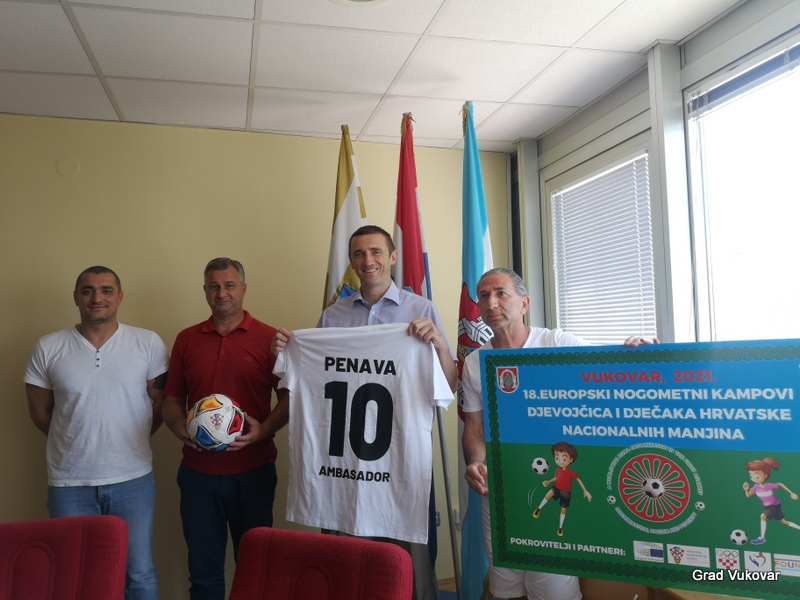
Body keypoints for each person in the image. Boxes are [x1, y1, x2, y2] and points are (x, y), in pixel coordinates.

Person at [273, 225, 457, 600]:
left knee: (407, 564)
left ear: (392, 257)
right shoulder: (332, 317)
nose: (367, 260)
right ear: (351, 261)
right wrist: (290, 350)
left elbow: (449, 385)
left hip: (400, 463)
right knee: (346, 562)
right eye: (359, 253)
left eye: (376, 252)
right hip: (342, 464)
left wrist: (439, 343)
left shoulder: (421, 309)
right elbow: (315, 383)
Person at [461, 267, 656, 600]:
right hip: (500, 490)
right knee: (505, 589)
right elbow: (475, 428)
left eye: (501, 293)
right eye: (483, 296)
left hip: (549, 484)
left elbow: (609, 369)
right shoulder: (474, 362)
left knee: (553, 589)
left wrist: (638, 352)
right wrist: (475, 462)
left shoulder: (556, 343)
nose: (491, 303)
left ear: (524, 303)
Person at [24, 266, 169, 600]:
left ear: (120, 297)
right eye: (87, 290)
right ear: (76, 297)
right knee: (74, 576)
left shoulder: (147, 343)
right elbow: (41, 413)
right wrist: (78, 439)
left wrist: (128, 439)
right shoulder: (48, 347)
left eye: (106, 290)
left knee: (138, 574)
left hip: (133, 480)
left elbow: (160, 405)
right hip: (69, 485)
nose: (97, 298)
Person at [163, 257, 289, 600]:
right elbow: (171, 401)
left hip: (254, 473)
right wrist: (179, 427)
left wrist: (264, 430)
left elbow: (290, 400)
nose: (222, 293)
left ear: (243, 289)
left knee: (256, 573)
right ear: (205, 291)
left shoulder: (270, 339)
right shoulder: (186, 339)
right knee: (204, 576)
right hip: (198, 477)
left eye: (229, 285)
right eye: (214, 286)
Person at [742, 457, 799, 545]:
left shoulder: (768, 486)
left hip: (774, 506)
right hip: (769, 507)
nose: (753, 478)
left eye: (756, 475)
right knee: (784, 522)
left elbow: (779, 484)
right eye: (751, 475)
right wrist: (746, 490)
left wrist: (791, 493)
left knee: (763, 516)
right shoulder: (755, 487)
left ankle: (762, 538)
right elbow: (749, 495)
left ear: (765, 475)